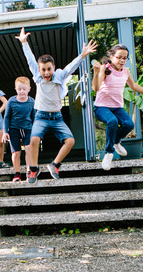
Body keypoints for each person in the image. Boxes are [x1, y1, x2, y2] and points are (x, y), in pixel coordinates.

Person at [16, 27, 97, 184]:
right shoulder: (37, 76)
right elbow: (30, 60)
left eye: (49, 69)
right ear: (39, 70)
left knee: (70, 141)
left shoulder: (59, 76)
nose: (46, 73)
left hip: (57, 117)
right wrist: (24, 43)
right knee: (34, 140)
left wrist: (83, 55)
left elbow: (70, 67)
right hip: (41, 116)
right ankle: (33, 169)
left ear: (53, 68)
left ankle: (54, 164)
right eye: (43, 70)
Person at [92, 44, 143, 170]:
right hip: (101, 107)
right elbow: (95, 88)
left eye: (125, 58)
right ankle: (108, 153)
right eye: (119, 58)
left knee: (129, 125)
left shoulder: (126, 72)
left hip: (117, 107)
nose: (122, 61)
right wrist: (96, 73)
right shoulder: (105, 69)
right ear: (111, 56)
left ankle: (116, 141)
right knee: (112, 121)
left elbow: (133, 86)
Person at [2, 76, 35, 182]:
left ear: (29, 89)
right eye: (19, 89)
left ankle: (29, 172)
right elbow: (6, 117)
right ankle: (17, 174)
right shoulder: (11, 101)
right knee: (16, 153)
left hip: (28, 128)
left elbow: (35, 118)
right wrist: (5, 132)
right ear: (16, 89)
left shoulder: (32, 102)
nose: (22, 91)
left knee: (29, 148)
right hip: (14, 129)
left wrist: (36, 132)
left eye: (24, 89)